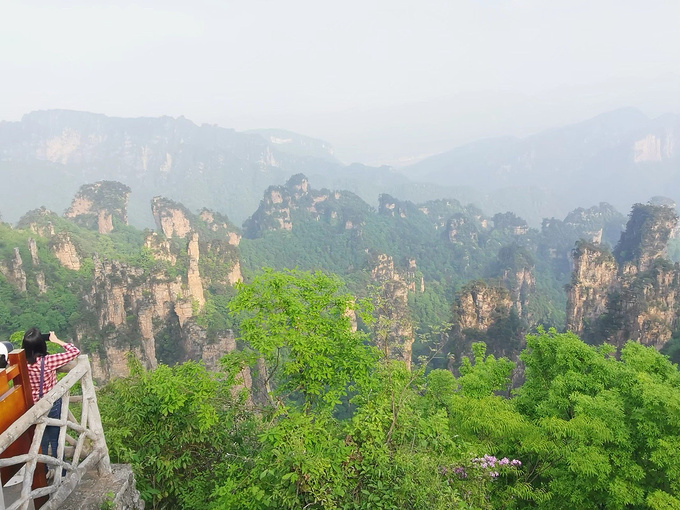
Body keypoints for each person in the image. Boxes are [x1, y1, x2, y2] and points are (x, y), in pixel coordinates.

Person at [22, 328, 80, 474]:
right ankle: (61, 472)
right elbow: (74, 352)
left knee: (41, 439)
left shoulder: (20, 362)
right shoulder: (48, 361)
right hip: (51, 404)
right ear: (42, 345)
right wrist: (56, 340)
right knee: (56, 439)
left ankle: (43, 471)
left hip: (34, 407)